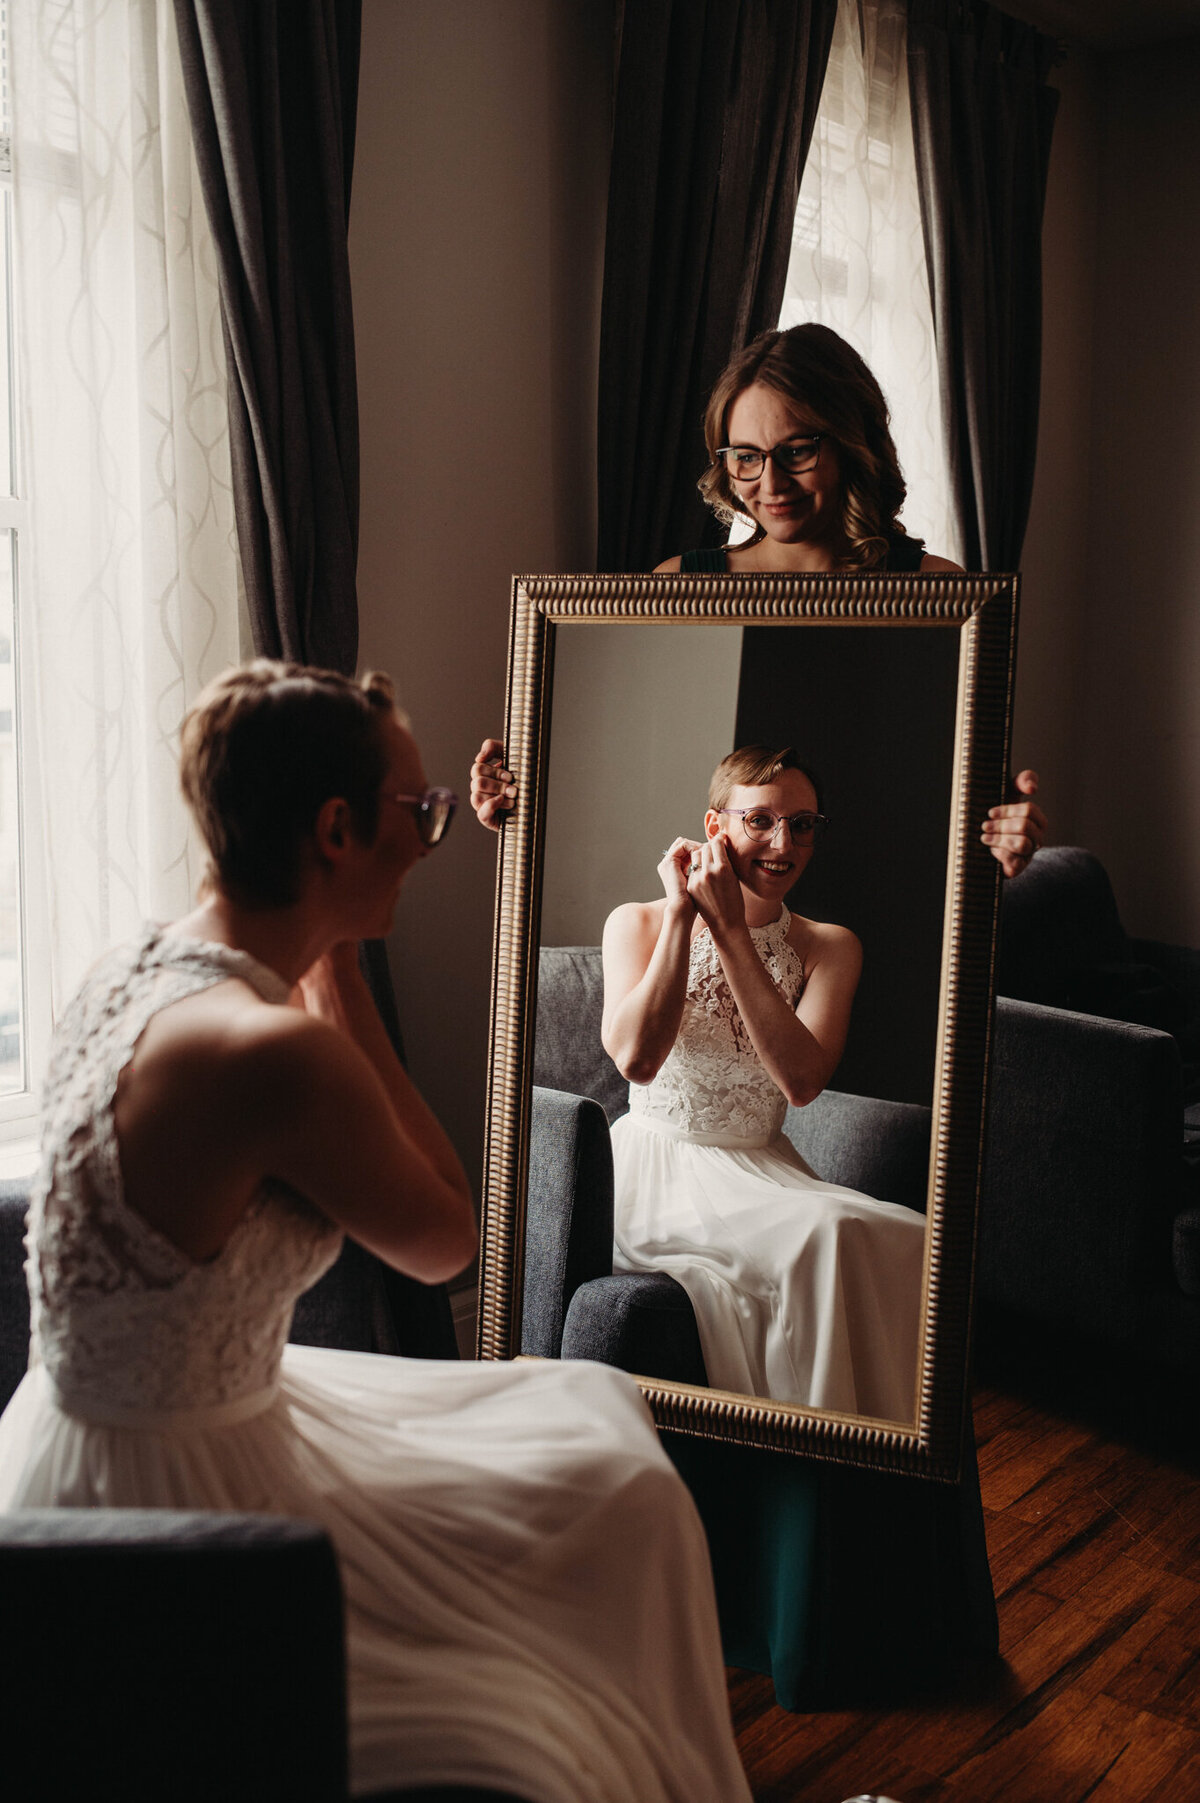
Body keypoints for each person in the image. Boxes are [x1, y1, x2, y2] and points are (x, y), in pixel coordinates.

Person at [0, 660, 751, 1803]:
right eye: (424, 811)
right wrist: (343, 971)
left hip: (92, 1427)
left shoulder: (136, 962)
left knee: (591, 1431)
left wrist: (326, 957)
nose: (435, 834)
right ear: (339, 829)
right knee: (598, 1550)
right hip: (182, 1493)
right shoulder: (268, 1051)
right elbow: (450, 1240)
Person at [471, 321, 1046, 875]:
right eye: (746, 456)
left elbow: (948, 791)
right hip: (711, 908)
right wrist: (522, 802)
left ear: (852, 444)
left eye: (797, 450)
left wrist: (999, 837)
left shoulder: (936, 595)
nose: (770, 485)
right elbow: (619, 776)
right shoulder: (678, 588)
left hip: (889, 891)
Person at [601, 742, 925, 1416]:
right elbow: (636, 1060)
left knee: (913, 1238)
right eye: (762, 821)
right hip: (658, 1171)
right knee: (830, 1235)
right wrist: (687, 915)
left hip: (761, 1169)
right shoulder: (635, 922)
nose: (784, 844)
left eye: (804, 824)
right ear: (716, 826)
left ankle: (872, 1473)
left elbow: (802, 1080)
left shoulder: (829, 946)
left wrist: (731, 934)